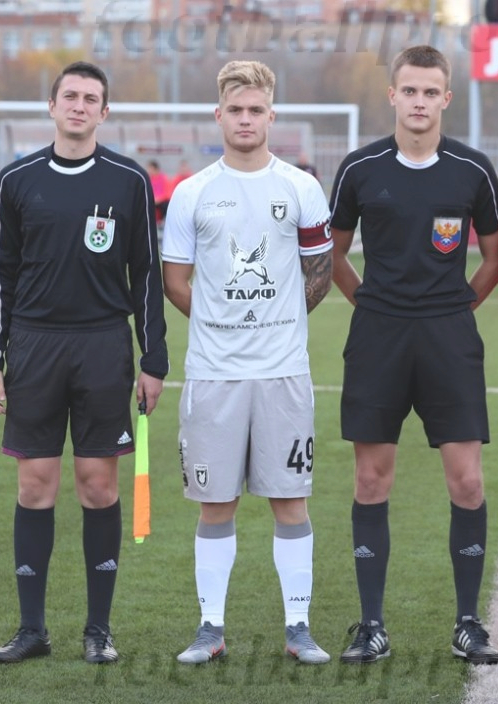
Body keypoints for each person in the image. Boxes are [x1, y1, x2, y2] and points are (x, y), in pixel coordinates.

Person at [0, 61, 169, 664]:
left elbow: (146, 274)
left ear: (104, 112)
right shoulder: (17, 179)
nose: (79, 106)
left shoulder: (128, 180)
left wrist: (154, 359)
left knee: (97, 485)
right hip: (34, 347)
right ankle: (32, 630)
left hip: (102, 347)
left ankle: (98, 630)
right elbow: (0, 274)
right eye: (70, 96)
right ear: (52, 105)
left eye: (91, 98)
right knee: (35, 485)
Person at [328, 45, 498, 665]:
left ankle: (468, 623)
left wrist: (457, 307)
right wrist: (369, 303)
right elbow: (334, 253)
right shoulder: (359, 168)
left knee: (467, 480)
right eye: (410, 90)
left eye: (431, 92)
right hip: (378, 336)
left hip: (448, 338)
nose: (420, 101)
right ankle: (371, 626)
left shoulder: (473, 169)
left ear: (446, 98)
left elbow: (496, 257)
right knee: (371, 479)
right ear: (393, 96)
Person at [161, 60, 334, 666]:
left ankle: (299, 627)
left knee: (291, 501)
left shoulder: (301, 187)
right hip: (214, 374)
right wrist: (221, 322)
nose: (245, 119)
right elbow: (175, 281)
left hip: (283, 372)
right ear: (219, 115)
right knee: (216, 503)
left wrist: (276, 320)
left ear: (271, 116)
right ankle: (210, 628)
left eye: (255, 110)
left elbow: (320, 274)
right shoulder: (192, 193)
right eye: (235, 110)